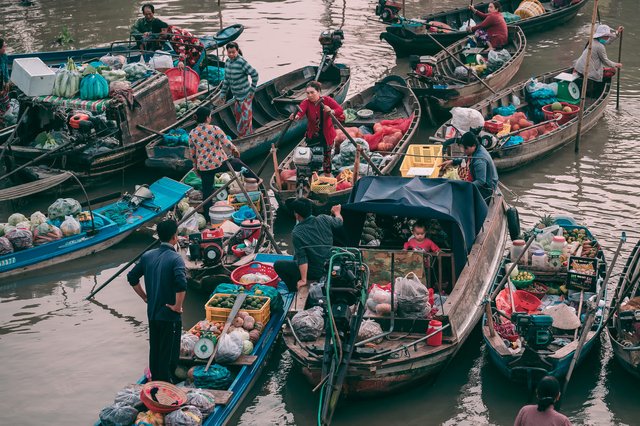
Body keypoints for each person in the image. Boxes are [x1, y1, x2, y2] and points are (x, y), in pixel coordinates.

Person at [127, 219, 186, 384]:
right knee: (169, 355)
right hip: (169, 316)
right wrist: (177, 307)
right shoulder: (176, 259)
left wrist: (145, 297)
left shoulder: (147, 256)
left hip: (152, 314)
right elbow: (181, 285)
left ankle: (154, 383)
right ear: (174, 237)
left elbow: (132, 278)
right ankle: (166, 386)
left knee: (156, 351)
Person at [189, 106, 257, 219]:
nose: (210, 118)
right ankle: (257, 179)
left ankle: (207, 218)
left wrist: (196, 168)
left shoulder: (192, 133)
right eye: (210, 116)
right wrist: (235, 151)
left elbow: (193, 154)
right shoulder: (214, 129)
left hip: (204, 168)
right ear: (207, 118)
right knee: (237, 163)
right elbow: (227, 143)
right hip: (218, 164)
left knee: (207, 194)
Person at [274, 199, 343, 292]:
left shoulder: (297, 232)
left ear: (297, 215)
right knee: (295, 256)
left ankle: (293, 289)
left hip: (315, 272)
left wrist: (303, 280)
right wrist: (337, 212)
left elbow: (303, 259)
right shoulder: (324, 218)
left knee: (278, 265)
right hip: (328, 265)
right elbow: (339, 221)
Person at [290, 81, 345, 177]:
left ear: (318, 92)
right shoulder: (306, 103)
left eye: (312, 93)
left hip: (327, 135)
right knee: (311, 158)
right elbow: (300, 112)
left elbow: (340, 110)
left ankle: (327, 176)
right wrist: (296, 116)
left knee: (326, 158)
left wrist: (331, 111)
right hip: (313, 135)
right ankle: (313, 178)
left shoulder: (327, 100)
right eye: (307, 93)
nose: (310, 95)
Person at [441, 132, 498, 201]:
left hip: (487, 189)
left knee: (459, 196)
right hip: (483, 180)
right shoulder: (477, 148)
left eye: (466, 149)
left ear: (473, 146)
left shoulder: (479, 160)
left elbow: (481, 181)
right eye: (463, 148)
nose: (464, 151)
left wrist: (465, 186)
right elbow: (466, 157)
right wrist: (453, 161)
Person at [219, 42, 259, 137]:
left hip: (246, 96)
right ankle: (241, 136)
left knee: (246, 120)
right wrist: (222, 94)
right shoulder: (227, 62)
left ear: (237, 51)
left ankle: (248, 137)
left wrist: (252, 91)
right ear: (227, 52)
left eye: (233, 52)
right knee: (238, 119)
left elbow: (255, 75)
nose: (231, 54)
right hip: (236, 96)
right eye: (229, 52)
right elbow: (226, 80)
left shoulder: (242, 62)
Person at [0, 38, 10, 126]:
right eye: (3, 46)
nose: (5, 47)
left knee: (7, 105)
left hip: (2, 85)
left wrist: (7, 81)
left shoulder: (3, 56)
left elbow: (6, 70)